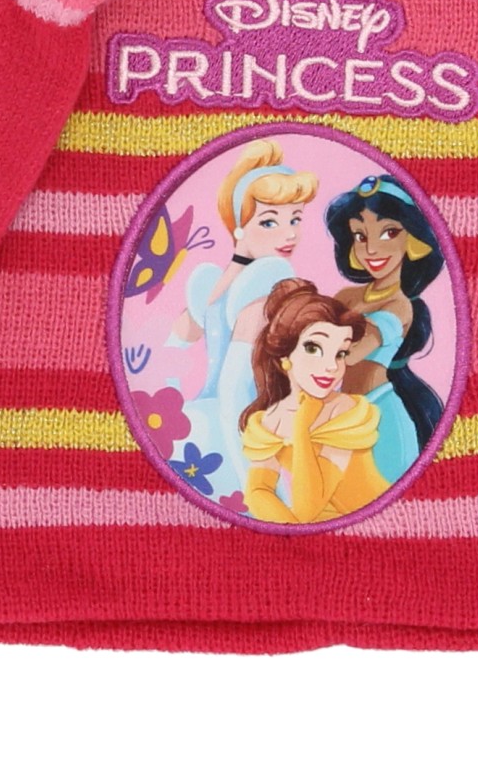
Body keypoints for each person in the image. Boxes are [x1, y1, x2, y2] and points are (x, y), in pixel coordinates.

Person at [167, 140, 317, 498]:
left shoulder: (211, 285)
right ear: (238, 226)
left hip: (197, 421)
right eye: (270, 221)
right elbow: (235, 390)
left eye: (296, 218)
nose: (290, 233)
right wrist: (258, 481)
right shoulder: (265, 290)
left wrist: (171, 408)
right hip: (240, 429)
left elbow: (168, 352)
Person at [323, 173, 447, 484]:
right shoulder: (346, 296)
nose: (372, 249)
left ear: (413, 241)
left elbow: (352, 353)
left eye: (389, 232)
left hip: (379, 416)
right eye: (360, 236)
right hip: (342, 412)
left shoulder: (399, 306)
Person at [238, 280, 389, 523]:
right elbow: (258, 491)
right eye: (313, 348)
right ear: (284, 354)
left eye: (340, 353)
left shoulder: (343, 411)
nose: (331, 366)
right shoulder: (269, 420)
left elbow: (309, 508)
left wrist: (301, 428)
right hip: (318, 532)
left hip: (381, 524)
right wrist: (289, 531)